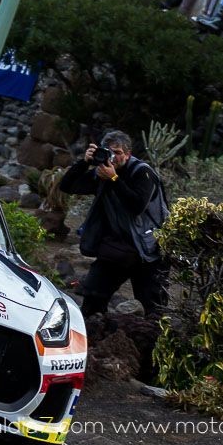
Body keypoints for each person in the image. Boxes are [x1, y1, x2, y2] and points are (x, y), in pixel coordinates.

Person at [59, 131, 168, 317]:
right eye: (109, 152)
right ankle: (95, 331)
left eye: (117, 152)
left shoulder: (143, 173)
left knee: (154, 309)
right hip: (117, 248)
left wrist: (114, 179)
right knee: (92, 299)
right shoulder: (101, 173)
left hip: (148, 250)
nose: (113, 157)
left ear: (128, 154)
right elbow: (67, 186)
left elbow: (137, 206)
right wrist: (84, 162)